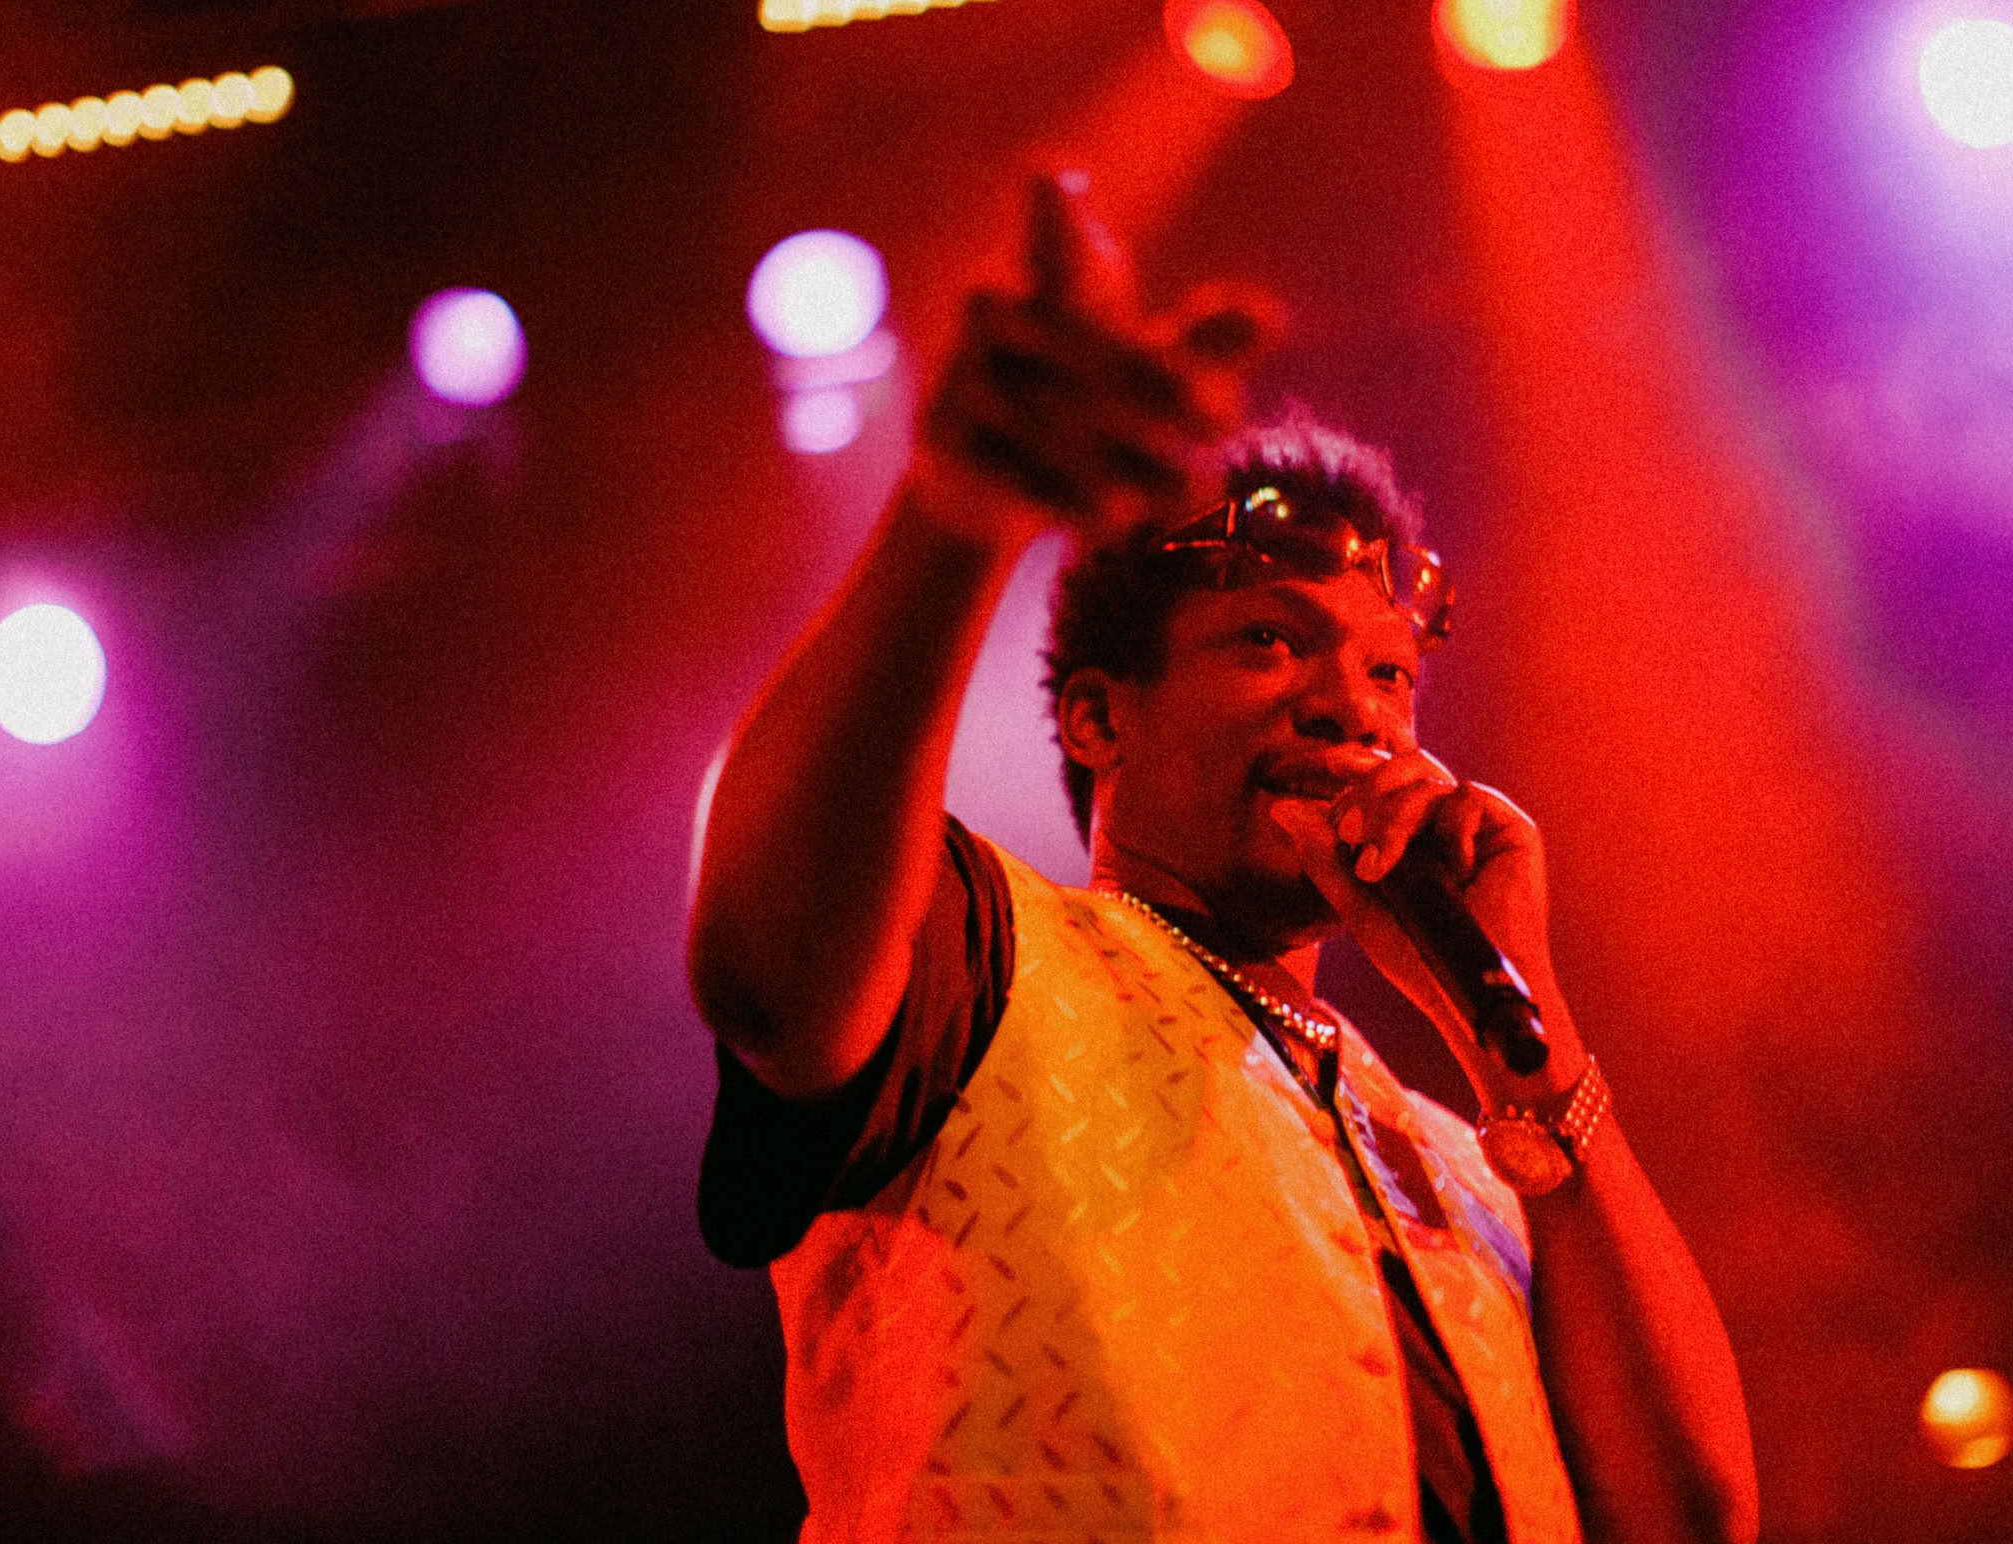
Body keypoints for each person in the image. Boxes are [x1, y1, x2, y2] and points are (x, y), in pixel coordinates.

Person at [687, 174, 1759, 1544]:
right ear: (1097, 715)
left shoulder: (1471, 1153)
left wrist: (1529, 1035)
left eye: (1388, 672)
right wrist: (962, 511)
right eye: (1269, 640)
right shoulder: (985, 953)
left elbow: (1688, 1514)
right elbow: (769, 973)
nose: (1350, 705)